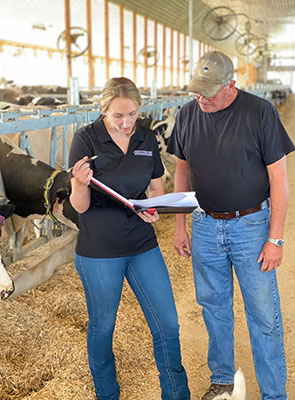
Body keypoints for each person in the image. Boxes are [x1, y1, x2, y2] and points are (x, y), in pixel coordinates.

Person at [167, 51, 295, 400]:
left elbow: (279, 180)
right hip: (205, 226)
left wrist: (276, 239)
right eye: (197, 90)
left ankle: (273, 394)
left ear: (231, 86)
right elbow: (181, 169)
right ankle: (222, 381)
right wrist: (180, 226)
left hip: (251, 226)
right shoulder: (187, 113)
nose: (201, 98)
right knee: (213, 308)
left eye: (209, 92)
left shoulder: (260, 112)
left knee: (263, 314)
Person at [68, 77, 190, 400]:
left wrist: (153, 210)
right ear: (103, 110)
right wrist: (79, 185)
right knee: (103, 329)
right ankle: (107, 395)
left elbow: (155, 189)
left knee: (167, 325)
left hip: (141, 244)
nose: (126, 123)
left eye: (132, 114)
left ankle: (177, 395)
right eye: (117, 116)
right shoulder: (86, 140)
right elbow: (79, 206)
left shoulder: (147, 138)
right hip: (99, 252)